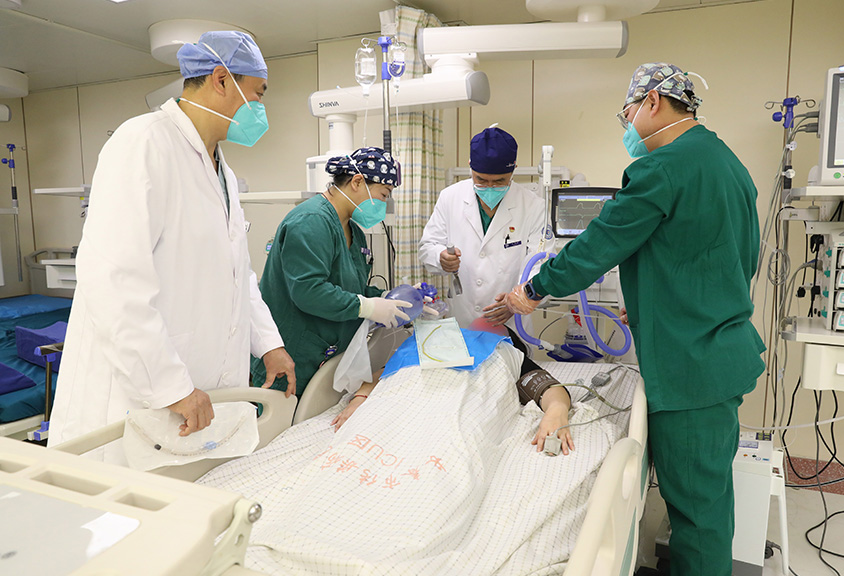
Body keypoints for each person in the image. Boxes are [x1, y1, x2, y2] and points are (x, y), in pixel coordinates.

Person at [506, 62, 766, 576]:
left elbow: (598, 245)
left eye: (625, 114)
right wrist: (654, 300)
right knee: (709, 499)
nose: (626, 126)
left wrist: (534, 289)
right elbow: (728, 259)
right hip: (720, 350)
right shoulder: (726, 162)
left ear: (652, 102)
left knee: (697, 515)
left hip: (690, 367)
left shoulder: (661, 167)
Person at [48, 31, 296, 464]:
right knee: (126, 498)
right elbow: (113, 279)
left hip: (200, 394)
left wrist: (269, 344)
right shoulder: (143, 143)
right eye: (258, 94)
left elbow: (237, 274)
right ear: (222, 80)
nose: (260, 108)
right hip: (138, 394)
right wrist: (171, 386)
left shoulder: (222, 172)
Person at [249, 147, 413, 397]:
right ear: (357, 182)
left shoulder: (353, 230)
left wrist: (392, 298)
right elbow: (308, 291)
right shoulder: (311, 221)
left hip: (326, 357)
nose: (382, 205)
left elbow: (352, 288)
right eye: (383, 195)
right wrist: (367, 307)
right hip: (293, 357)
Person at [331, 317, 575, 455]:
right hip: (405, 399)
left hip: (455, 408)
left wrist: (556, 411)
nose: (475, 325)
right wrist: (359, 399)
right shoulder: (425, 344)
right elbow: (385, 374)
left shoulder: (506, 353)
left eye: (491, 325)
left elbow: (548, 389)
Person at [418, 126, 545, 332]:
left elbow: (541, 262)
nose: (490, 187)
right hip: (463, 315)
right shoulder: (450, 197)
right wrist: (440, 257)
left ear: (513, 170)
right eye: (481, 180)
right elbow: (427, 247)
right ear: (470, 167)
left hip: (511, 323)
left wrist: (520, 299)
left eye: (499, 181)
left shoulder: (533, 206)